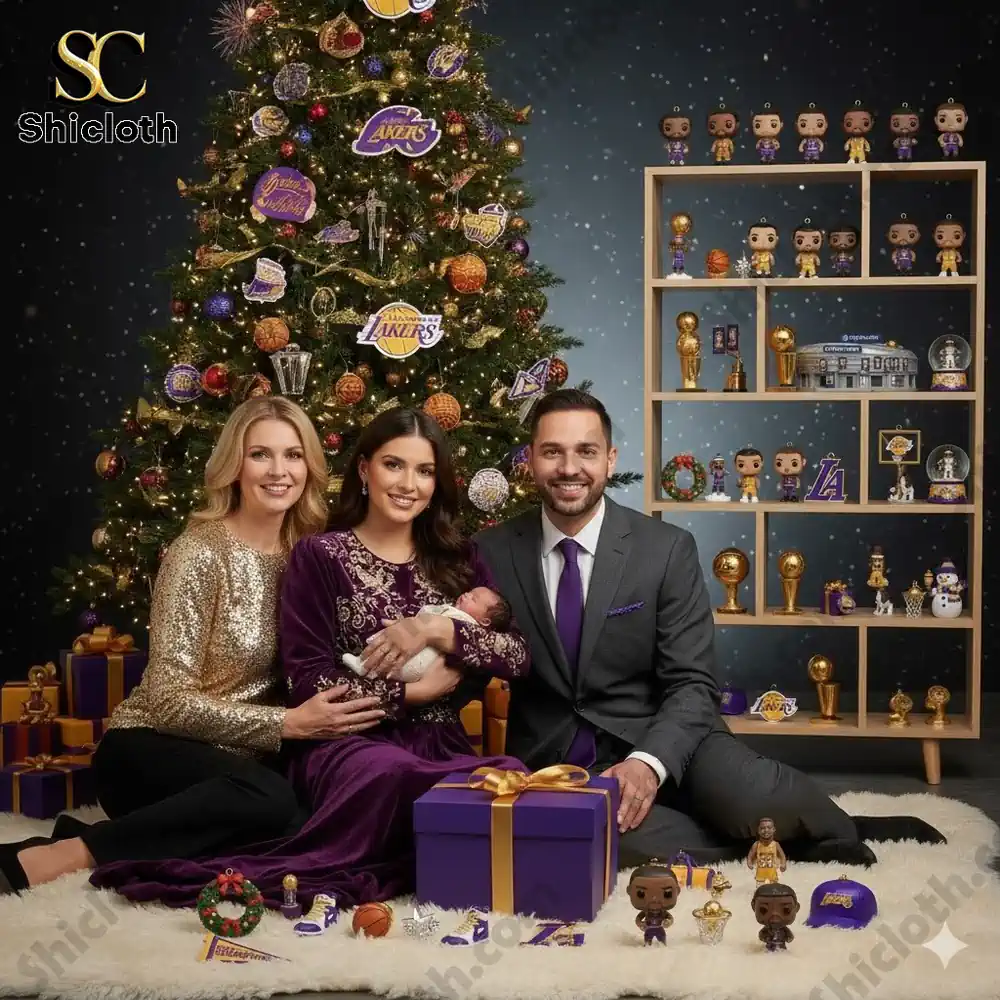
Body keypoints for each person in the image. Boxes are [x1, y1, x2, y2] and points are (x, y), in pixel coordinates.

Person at [473, 389, 944, 869]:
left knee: (757, 795)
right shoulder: (489, 552)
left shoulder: (665, 548)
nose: (569, 468)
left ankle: (834, 825)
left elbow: (693, 683)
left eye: (586, 451)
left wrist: (648, 764)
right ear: (529, 460)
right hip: (558, 763)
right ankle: (765, 843)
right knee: (609, 841)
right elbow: (467, 659)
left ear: (610, 460)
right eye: (552, 451)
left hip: (668, 737)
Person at [86, 407, 529, 909]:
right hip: (347, 738)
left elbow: (514, 655)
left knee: (502, 776)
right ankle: (83, 850)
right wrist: (410, 692)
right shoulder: (319, 553)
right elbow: (310, 678)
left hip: (433, 738)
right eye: (393, 465)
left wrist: (434, 627)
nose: (409, 484)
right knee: (382, 782)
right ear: (364, 470)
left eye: (424, 470)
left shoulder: (458, 557)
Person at [0, 397, 380, 896]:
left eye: (292, 455)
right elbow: (168, 702)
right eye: (260, 454)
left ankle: (103, 837)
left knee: (305, 823)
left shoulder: (310, 552)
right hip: (151, 748)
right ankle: (70, 853)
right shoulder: (198, 553)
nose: (279, 471)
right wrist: (287, 723)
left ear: (309, 465)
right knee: (268, 799)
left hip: (238, 765)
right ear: (233, 465)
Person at [342, 586, 512, 681]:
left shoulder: (462, 620)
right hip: (423, 668)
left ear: (485, 622)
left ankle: (363, 665)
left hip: (417, 661)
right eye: (469, 592)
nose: (466, 595)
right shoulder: (462, 623)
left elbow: (425, 617)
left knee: (387, 645)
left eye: (473, 599)